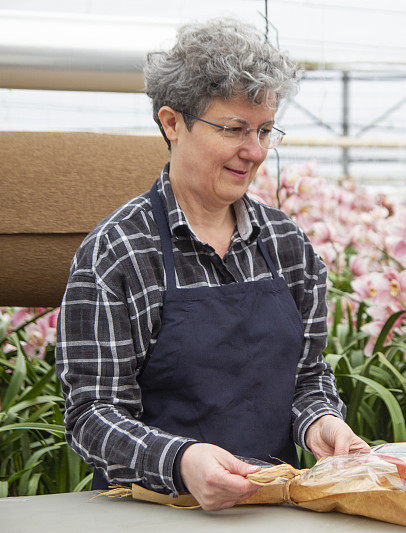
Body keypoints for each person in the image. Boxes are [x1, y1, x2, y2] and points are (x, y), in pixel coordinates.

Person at [55, 18, 368, 511]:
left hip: (270, 508)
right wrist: (181, 460)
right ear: (172, 122)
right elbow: (92, 416)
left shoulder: (287, 245)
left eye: (266, 130)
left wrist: (320, 421)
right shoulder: (120, 253)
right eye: (234, 129)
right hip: (152, 511)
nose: (256, 151)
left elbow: (308, 378)